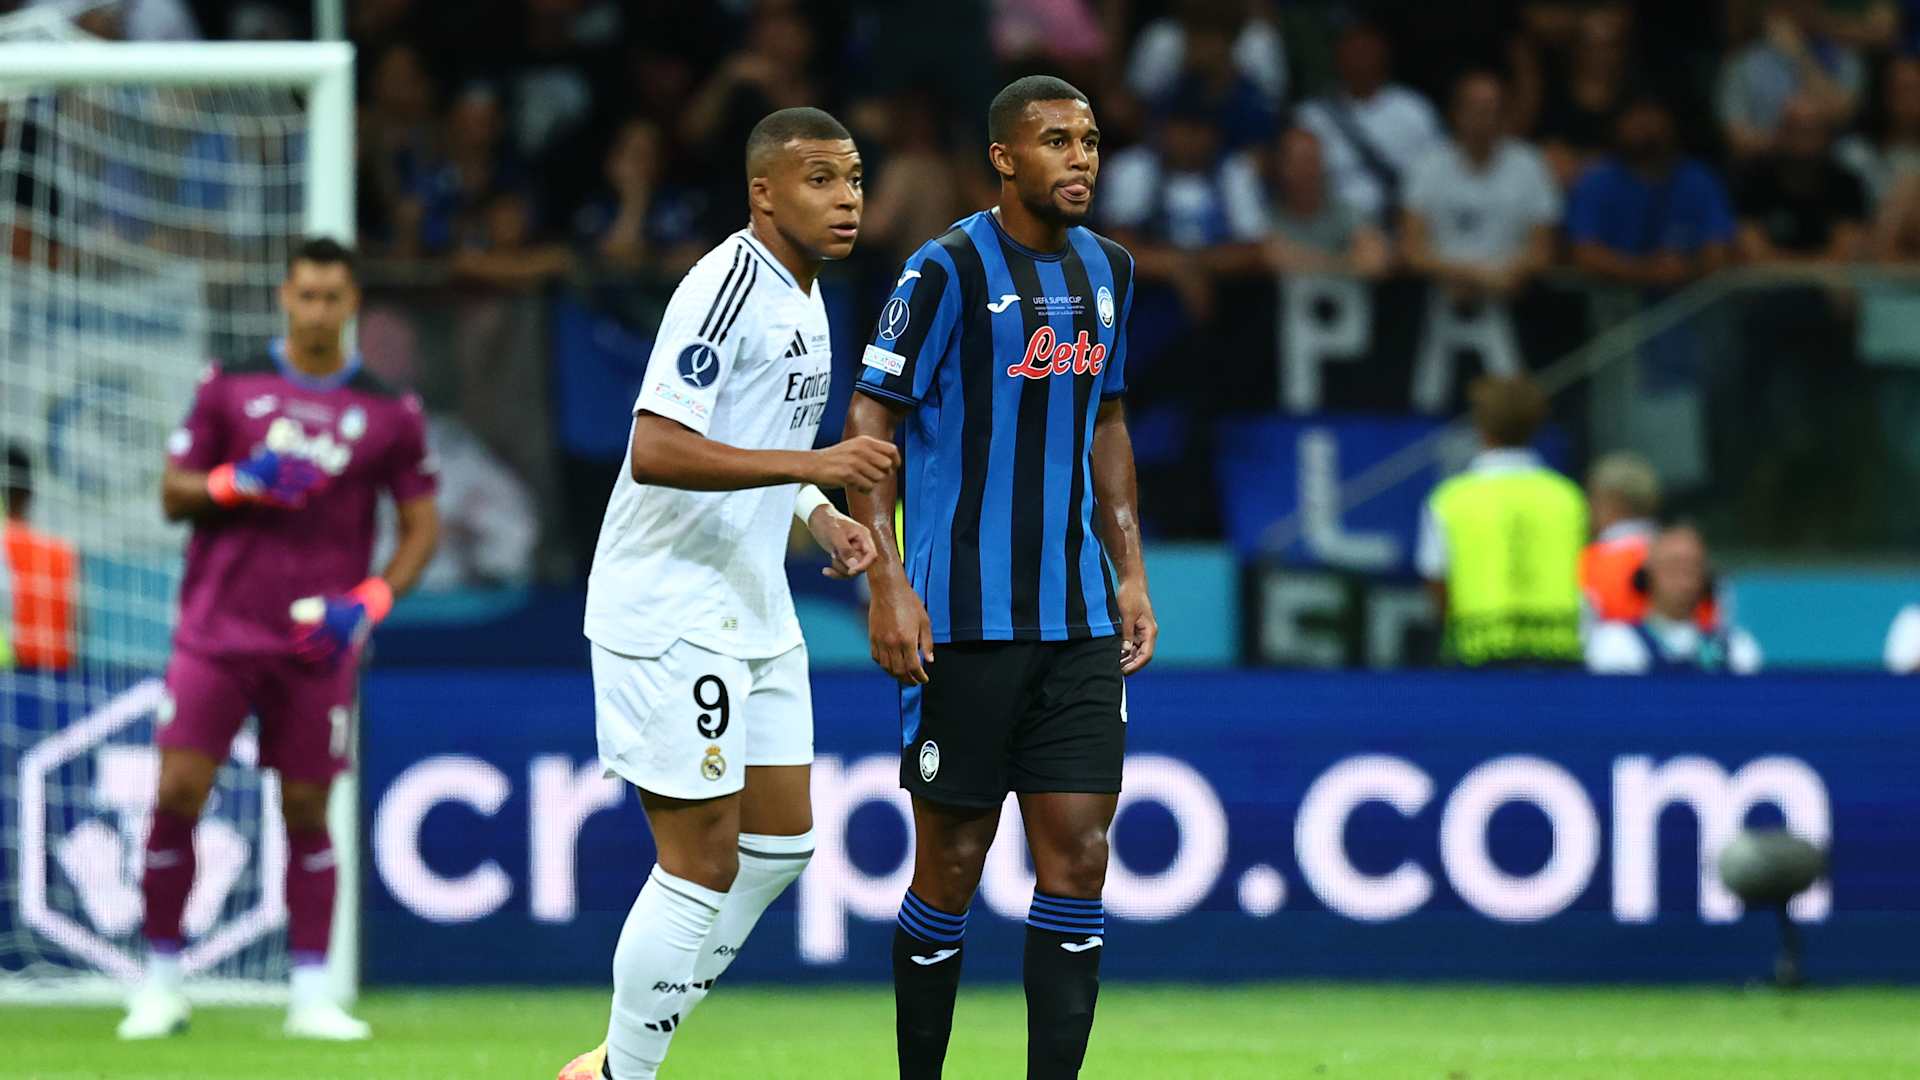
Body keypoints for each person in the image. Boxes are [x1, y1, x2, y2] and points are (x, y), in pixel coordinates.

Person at [556, 108, 895, 1080]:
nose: (846, 199)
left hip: (752, 604)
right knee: (700, 860)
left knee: (780, 848)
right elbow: (657, 447)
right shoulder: (726, 285)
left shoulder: (809, 297)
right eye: (821, 180)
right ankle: (623, 1071)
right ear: (764, 192)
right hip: (669, 604)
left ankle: (620, 1057)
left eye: (853, 179)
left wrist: (815, 511)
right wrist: (817, 464)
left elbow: (755, 443)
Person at [842, 75, 1158, 1080]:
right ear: (1004, 157)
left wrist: (1131, 571)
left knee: (1080, 858)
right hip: (963, 621)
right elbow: (871, 418)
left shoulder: (1111, 270)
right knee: (951, 866)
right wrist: (886, 581)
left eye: (1090, 140)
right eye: (1056, 140)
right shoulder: (942, 270)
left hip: (1078, 620)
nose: (1080, 158)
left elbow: (1108, 420)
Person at [119, 238, 442, 1041]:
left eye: (334, 298)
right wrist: (237, 481)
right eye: (307, 296)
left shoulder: (389, 411)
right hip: (216, 631)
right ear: (285, 298)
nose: (319, 312)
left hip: (317, 642)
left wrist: (368, 602)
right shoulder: (229, 384)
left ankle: (311, 995)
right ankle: (160, 983)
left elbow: (421, 526)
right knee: (178, 791)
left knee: (306, 806)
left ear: (353, 304)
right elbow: (172, 495)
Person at [1417, 374, 1586, 667]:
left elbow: (1436, 580)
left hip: (1477, 653)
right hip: (1558, 655)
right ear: (1537, 424)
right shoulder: (1568, 497)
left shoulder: (1450, 499)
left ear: (1479, 425)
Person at [1402, 72, 1559, 315]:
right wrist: (1471, 275)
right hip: (1440, 295)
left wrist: (1506, 275)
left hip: (1512, 298)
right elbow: (1412, 249)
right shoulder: (1427, 166)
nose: (1483, 117)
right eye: (1474, 107)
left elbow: (1543, 251)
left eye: (1491, 108)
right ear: (1455, 113)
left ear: (1505, 114)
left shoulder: (1530, 165)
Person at [1566, 96, 1735, 289]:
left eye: (1651, 115)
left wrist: (1686, 269)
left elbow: (1718, 250)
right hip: (1614, 296)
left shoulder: (1699, 180)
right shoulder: (1596, 181)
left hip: (1689, 296)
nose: (1643, 125)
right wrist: (1646, 271)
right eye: (1634, 116)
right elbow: (1584, 253)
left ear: (1670, 121)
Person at [1295, 21, 1443, 224]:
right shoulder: (1311, 117)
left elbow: (1438, 171)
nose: (1359, 60)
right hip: (1332, 225)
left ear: (1384, 57)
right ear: (1337, 59)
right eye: (1352, 52)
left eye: (1366, 52)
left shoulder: (1414, 110)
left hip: (1402, 223)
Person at [1587, 525, 1762, 674]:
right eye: (1673, 566)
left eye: (1693, 567)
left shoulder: (1736, 647)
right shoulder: (1617, 641)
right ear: (1647, 572)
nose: (1683, 578)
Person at [3, 444, 78, 671]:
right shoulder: (62, 553)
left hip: (10, 675)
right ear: (29, 491)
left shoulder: (4, 546)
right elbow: (78, 631)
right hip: (61, 679)